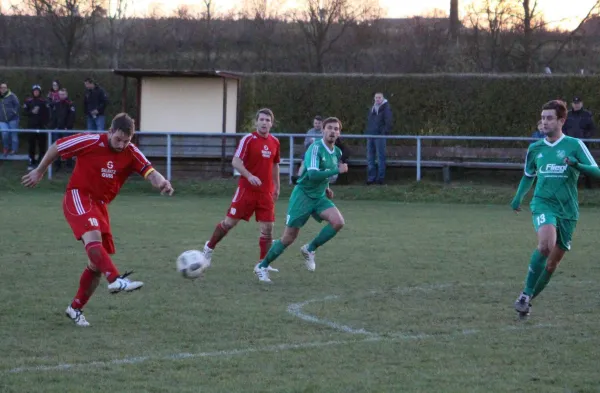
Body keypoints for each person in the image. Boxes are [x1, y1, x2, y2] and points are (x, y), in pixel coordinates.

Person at [21, 113, 174, 327]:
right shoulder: (90, 141)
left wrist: (163, 182)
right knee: (93, 240)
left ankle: (75, 308)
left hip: (100, 206)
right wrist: (39, 171)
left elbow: (150, 172)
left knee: (95, 265)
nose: (121, 145)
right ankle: (116, 279)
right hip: (78, 196)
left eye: (126, 141)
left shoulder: (131, 152)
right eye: (118, 139)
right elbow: (57, 146)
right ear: (110, 132)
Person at [511, 100, 600, 319]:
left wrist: (577, 166)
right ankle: (524, 297)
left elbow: (597, 172)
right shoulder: (535, 148)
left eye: (550, 118)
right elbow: (528, 176)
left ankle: (527, 297)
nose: (545, 122)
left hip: (568, 211)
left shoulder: (575, 145)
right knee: (545, 246)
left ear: (562, 120)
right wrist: (517, 198)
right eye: (543, 118)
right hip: (543, 204)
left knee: (551, 264)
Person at [255, 117, 348, 283]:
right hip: (303, 195)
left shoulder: (337, 152)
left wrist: (327, 187)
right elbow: (312, 174)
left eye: (336, 129)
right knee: (288, 238)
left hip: (319, 196)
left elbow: (323, 171)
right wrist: (336, 170)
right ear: (323, 131)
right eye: (330, 128)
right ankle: (262, 266)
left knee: (338, 222)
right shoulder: (315, 148)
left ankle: (309, 249)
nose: (333, 131)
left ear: (339, 133)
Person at [200, 108, 281, 272]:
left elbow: (275, 165)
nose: (264, 122)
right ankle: (208, 248)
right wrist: (249, 175)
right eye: (262, 119)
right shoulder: (248, 140)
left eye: (268, 120)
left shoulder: (275, 142)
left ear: (271, 124)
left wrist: (277, 186)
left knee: (268, 228)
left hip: (266, 192)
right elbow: (236, 162)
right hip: (246, 191)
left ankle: (263, 265)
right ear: (256, 122)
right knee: (229, 223)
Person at [23, 84, 50, 169]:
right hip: (31, 127)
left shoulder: (44, 101)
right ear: (32, 92)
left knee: (42, 145)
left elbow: (48, 114)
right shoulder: (28, 101)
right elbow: (24, 112)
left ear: (40, 92)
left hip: (41, 127)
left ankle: (41, 162)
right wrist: (32, 112)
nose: (36, 92)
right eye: (34, 91)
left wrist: (46, 124)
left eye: (37, 91)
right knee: (31, 145)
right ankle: (31, 161)